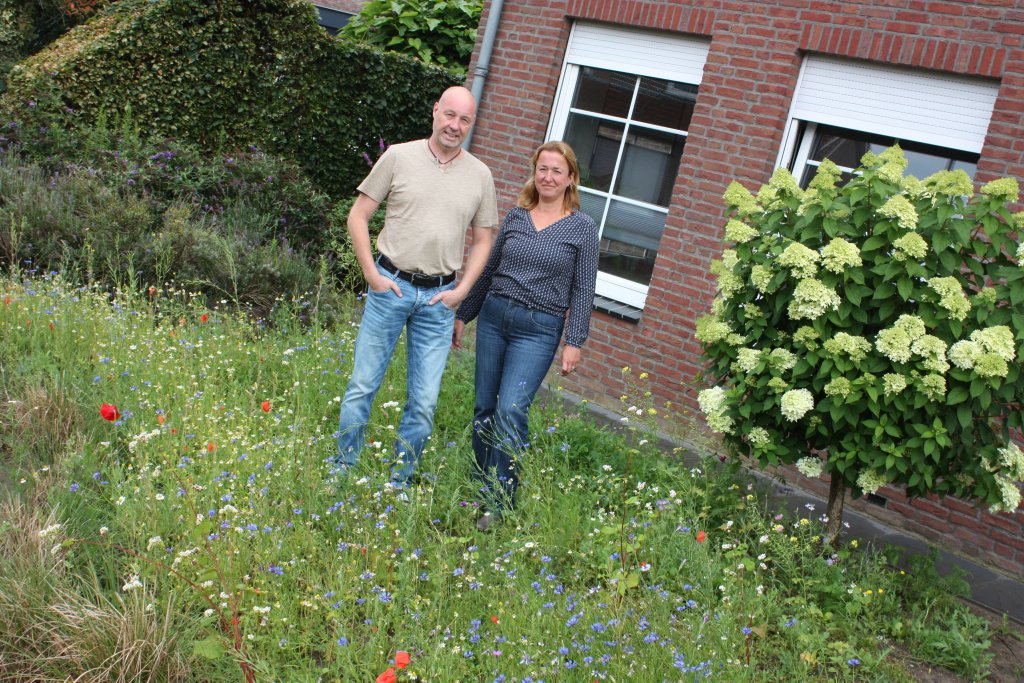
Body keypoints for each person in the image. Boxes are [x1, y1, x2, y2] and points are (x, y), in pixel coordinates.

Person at [334, 85, 498, 489]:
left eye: (464, 120)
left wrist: (461, 292)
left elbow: (484, 240)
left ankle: (400, 482)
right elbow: (358, 216)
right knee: (362, 386)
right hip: (391, 286)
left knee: (424, 403)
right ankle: (342, 468)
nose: (455, 125)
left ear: (470, 124)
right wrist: (372, 275)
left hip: (439, 300)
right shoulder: (398, 156)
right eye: (450, 115)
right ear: (435, 112)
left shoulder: (480, 175)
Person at [453, 141, 599, 530]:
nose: (548, 177)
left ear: (571, 178)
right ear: (535, 172)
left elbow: (584, 288)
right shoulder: (518, 216)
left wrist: (575, 340)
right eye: (542, 169)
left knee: (510, 410)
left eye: (557, 171)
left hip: (538, 328)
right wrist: (464, 315)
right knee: (485, 408)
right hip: (495, 316)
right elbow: (488, 270)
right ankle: (479, 489)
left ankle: (502, 501)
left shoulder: (582, 228)